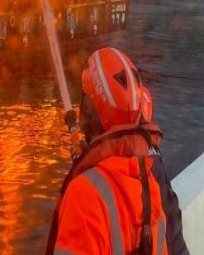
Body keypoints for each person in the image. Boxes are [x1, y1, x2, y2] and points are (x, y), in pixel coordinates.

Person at [46, 47, 189, 254]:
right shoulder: (149, 182)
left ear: (89, 110)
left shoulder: (84, 195)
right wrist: (92, 159)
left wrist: (88, 166)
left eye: (85, 99)